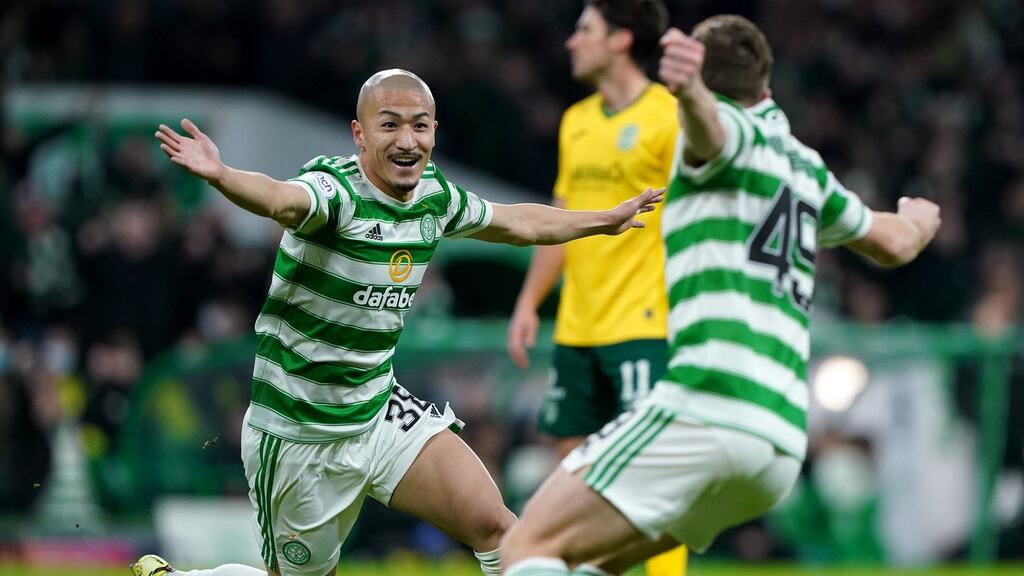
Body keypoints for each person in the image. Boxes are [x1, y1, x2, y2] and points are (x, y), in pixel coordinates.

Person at [133, 68, 662, 576]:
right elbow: (281, 198)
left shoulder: (433, 196)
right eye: (390, 124)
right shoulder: (335, 193)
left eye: (419, 124)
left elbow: (517, 221)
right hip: (298, 431)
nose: (407, 139)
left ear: (434, 131)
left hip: (378, 410)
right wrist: (223, 175)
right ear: (360, 135)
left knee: (498, 528)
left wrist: (601, 220)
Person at [501, 15, 942, 575]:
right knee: (598, 564)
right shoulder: (807, 169)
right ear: (767, 88)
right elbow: (895, 243)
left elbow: (715, 133)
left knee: (524, 550)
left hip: (709, 407)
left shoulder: (719, 134)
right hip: (779, 443)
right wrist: (920, 219)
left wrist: (689, 93)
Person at [505, 2, 686, 572]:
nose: (570, 42)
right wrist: (529, 302)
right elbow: (562, 219)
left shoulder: (671, 116)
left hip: (645, 324)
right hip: (578, 326)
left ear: (621, 40)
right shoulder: (576, 120)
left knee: (652, 477)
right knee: (573, 477)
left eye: (585, 30)